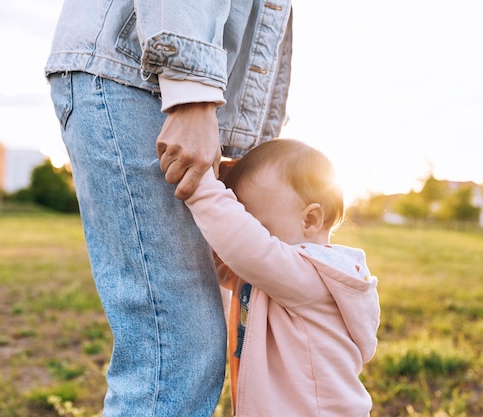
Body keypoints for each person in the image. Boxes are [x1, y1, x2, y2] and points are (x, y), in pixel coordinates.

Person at [45, 1, 293, 416]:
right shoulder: (183, 94)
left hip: (171, 89)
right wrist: (191, 94)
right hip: (141, 80)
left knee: (183, 345)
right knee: (175, 351)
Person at [184, 139, 381, 417]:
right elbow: (230, 263)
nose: (250, 232)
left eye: (258, 227)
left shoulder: (310, 275)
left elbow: (244, 246)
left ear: (310, 220)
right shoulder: (282, 276)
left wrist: (200, 180)